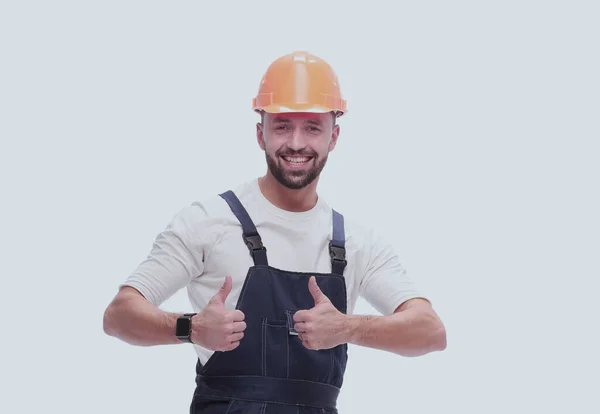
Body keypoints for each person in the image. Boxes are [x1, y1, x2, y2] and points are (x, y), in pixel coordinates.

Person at [103, 50, 447, 414]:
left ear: (334, 136)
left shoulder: (359, 243)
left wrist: (349, 328)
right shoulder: (208, 220)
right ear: (260, 133)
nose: (296, 143)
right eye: (282, 125)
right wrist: (191, 328)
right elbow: (119, 315)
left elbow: (430, 332)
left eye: (312, 127)